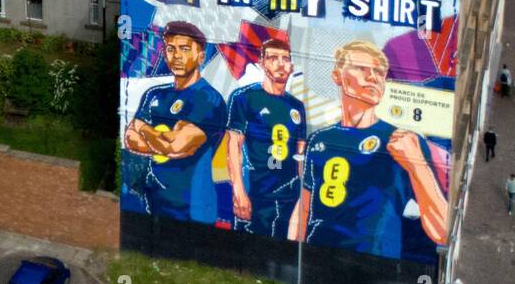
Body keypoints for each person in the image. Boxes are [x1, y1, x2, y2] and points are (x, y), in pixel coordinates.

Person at [291, 40, 449, 261]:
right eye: (361, 69)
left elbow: (443, 232)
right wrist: (289, 256)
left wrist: (416, 165)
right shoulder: (320, 139)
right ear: (337, 76)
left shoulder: (403, 141)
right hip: (318, 257)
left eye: (379, 72)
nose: (373, 77)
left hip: (373, 266)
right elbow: (304, 207)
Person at [123, 21, 226, 223]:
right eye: (171, 49)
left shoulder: (208, 99)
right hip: (154, 200)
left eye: (185, 49)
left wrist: (143, 127)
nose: (177, 56)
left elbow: (175, 146)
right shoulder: (154, 94)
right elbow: (130, 139)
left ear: (201, 56)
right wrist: (164, 142)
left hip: (192, 208)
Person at [225, 37, 307, 239]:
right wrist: (239, 192)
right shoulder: (244, 98)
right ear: (262, 64)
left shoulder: (296, 107)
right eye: (273, 58)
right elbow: (233, 147)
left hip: (288, 197)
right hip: (256, 195)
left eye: (285, 59)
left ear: (292, 65)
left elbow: (300, 154)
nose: (280, 63)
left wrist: (303, 200)